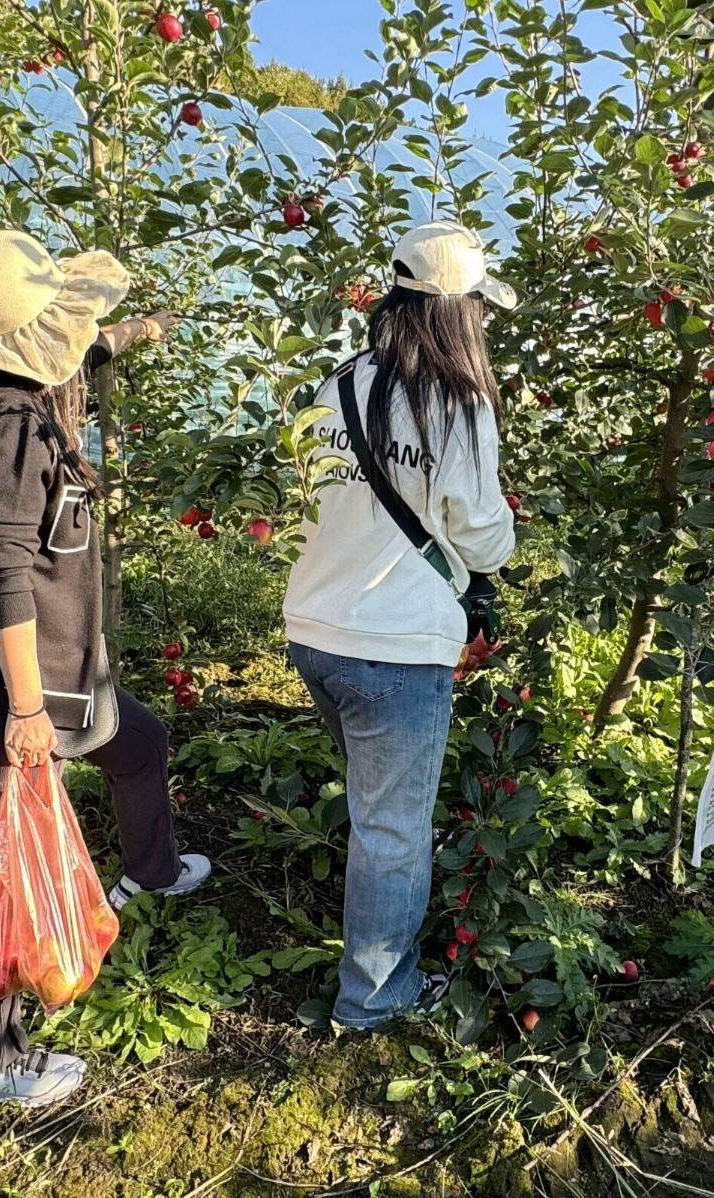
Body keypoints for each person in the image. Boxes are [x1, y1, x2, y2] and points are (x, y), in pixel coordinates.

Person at [0, 230, 211, 1106]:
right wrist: (23, 714)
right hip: (23, 679)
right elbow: (4, 573)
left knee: (139, 743)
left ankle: (152, 870)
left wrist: (142, 331)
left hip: (61, 668)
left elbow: (87, 340)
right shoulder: (7, 427)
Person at [283, 221, 518, 1031]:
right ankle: (374, 998)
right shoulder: (457, 406)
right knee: (392, 830)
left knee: (371, 805)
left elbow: (322, 495)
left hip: (315, 628)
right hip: (395, 648)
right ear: (465, 312)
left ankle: (370, 942)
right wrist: (496, 535)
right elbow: (484, 533)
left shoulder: (339, 384)